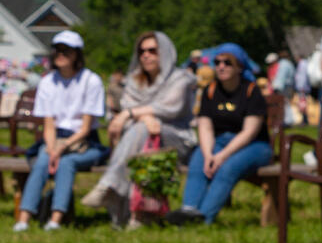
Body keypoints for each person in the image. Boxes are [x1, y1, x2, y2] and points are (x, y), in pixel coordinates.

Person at [80, 31, 197, 227]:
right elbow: (133, 112)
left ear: (165, 53)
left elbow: (170, 108)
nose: (146, 55)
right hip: (140, 140)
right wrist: (144, 116)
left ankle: (109, 187)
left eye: (152, 50)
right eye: (142, 51)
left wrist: (131, 114)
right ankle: (137, 217)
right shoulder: (134, 81)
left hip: (177, 139)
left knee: (141, 130)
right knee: (142, 135)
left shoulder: (180, 79)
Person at [167, 44, 273, 225]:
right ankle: (189, 210)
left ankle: (204, 218)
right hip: (220, 142)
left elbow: (249, 132)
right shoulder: (210, 90)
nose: (221, 66)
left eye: (227, 63)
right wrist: (209, 154)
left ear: (240, 66)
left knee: (227, 168)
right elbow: (205, 127)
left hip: (255, 146)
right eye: (217, 62)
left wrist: (222, 156)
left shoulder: (251, 91)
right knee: (198, 159)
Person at [13, 31, 108, 232]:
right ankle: (24, 218)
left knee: (66, 163)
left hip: (84, 142)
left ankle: (56, 219)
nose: (60, 55)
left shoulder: (91, 81)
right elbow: (48, 125)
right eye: (57, 50)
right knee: (41, 161)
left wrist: (62, 148)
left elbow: (85, 128)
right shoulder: (48, 82)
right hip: (53, 137)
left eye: (66, 50)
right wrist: (52, 148)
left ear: (76, 54)